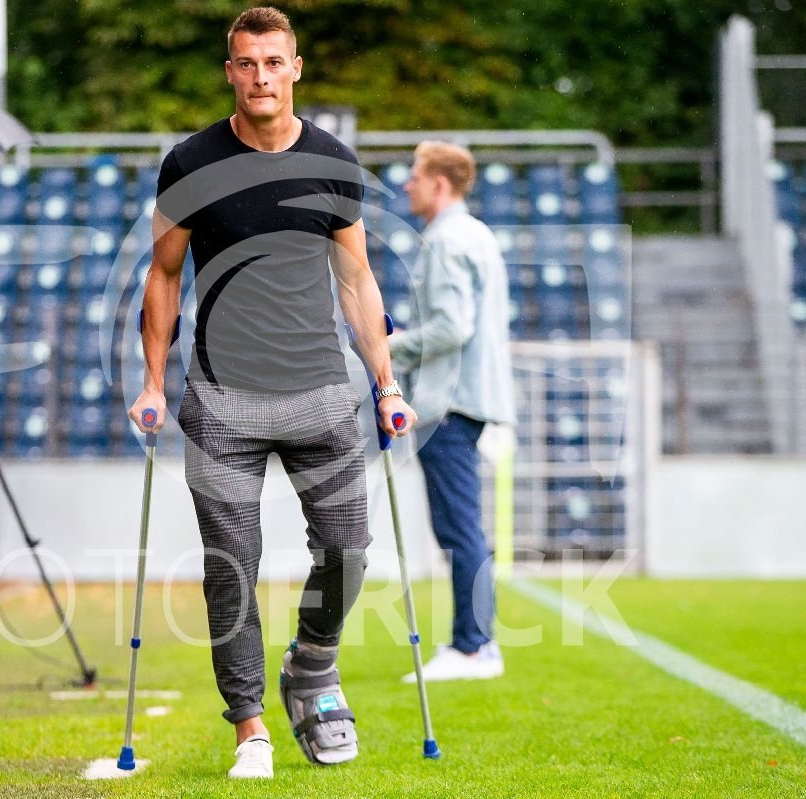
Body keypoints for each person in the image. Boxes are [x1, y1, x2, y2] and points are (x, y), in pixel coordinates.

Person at [127, 6, 417, 780]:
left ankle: (311, 663)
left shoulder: (332, 161)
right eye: (247, 63)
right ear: (231, 71)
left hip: (321, 392)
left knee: (347, 550)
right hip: (222, 401)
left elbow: (356, 279)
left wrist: (386, 383)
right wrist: (152, 381)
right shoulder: (190, 162)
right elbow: (163, 274)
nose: (261, 77)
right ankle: (249, 726)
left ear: (296, 68)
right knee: (232, 565)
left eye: (273, 62)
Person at [388, 141, 516, 682]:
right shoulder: (476, 233)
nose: (407, 185)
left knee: (459, 528)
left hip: (449, 400)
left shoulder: (445, 239)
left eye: (416, 176)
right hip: (470, 395)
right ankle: (474, 643)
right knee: (462, 526)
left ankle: (473, 646)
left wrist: (388, 347)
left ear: (439, 184)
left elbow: (451, 328)